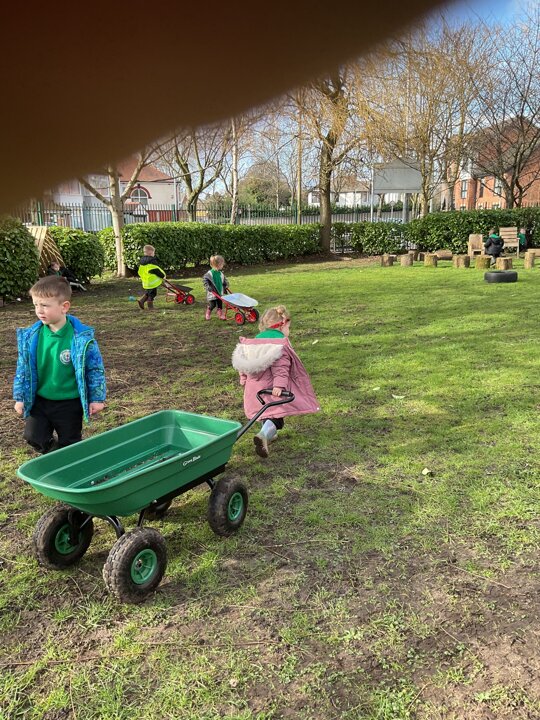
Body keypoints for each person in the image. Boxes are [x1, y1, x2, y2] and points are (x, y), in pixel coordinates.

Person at [13, 275, 106, 453]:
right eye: (35, 305)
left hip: (69, 403)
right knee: (33, 436)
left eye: (45, 305)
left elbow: (95, 369)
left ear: (64, 307)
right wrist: (20, 397)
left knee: (70, 443)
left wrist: (97, 398)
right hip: (40, 400)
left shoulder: (81, 338)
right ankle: (55, 455)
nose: (39, 310)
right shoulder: (30, 337)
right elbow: (23, 369)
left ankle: (69, 464)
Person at [232, 305, 319, 458]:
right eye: (288, 328)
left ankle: (269, 435)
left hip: (253, 388)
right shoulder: (278, 344)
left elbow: (242, 363)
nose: (289, 331)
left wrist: (243, 379)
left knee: (264, 412)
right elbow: (281, 368)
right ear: (282, 325)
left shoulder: (252, 343)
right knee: (276, 417)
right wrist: (279, 385)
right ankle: (264, 435)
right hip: (271, 388)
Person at [137, 244, 166, 310]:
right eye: (153, 253)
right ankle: (150, 307)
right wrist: (162, 276)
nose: (154, 254)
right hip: (152, 282)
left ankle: (141, 301)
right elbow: (156, 270)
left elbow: (140, 271)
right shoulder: (152, 262)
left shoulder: (142, 262)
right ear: (150, 253)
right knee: (153, 294)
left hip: (146, 281)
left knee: (149, 292)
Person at [203, 255, 230, 320]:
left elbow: (224, 280)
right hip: (212, 292)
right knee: (213, 305)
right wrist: (208, 286)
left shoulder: (220, 273)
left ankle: (220, 315)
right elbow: (205, 280)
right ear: (218, 264)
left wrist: (226, 285)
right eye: (222, 264)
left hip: (219, 292)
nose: (223, 265)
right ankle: (208, 312)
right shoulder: (210, 273)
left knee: (220, 305)